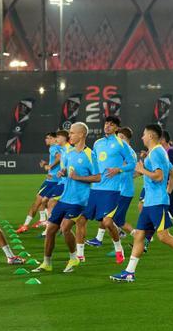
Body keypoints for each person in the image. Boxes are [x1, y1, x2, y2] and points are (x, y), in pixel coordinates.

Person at [110, 124, 173, 283]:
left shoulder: (156, 154)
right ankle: (129, 272)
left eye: (144, 134)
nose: (142, 137)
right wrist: (167, 191)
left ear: (151, 136)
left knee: (163, 236)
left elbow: (159, 176)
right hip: (151, 202)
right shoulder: (157, 152)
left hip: (156, 203)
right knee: (139, 235)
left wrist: (143, 170)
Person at [32, 122, 100, 274]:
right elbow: (66, 170)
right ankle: (46, 263)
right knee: (50, 230)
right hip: (65, 198)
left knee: (65, 228)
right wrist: (62, 172)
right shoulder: (68, 153)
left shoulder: (90, 154)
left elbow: (98, 177)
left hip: (79, 200)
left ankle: (74, 257)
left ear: (81, 134)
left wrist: (78, 177)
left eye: (72, 133)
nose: (69, 135)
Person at [84, 116, 137, 265]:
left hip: (112, 190)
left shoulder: (121, 144)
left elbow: (132, 164)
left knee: (108, 222)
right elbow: (94, 162)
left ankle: (118, 249)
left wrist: (118, 169)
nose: (107, 126)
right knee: (81, 219)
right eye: (106, 123)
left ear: (116, 128)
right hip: (95, 188)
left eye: (111, 124)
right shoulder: (98, 143)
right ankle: (78, 255)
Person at [16, 132, 62, 233]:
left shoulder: (53, 148)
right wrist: (48, 164)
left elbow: (59, 157)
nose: (47, 140)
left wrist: (50, 167)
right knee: (44, 202)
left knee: (38, 203)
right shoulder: (60, 147)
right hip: (55, 180)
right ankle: (43, 221)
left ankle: (26, 225)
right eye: (46, 138)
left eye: (49, 138)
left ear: (55, 139)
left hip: (52, 181)